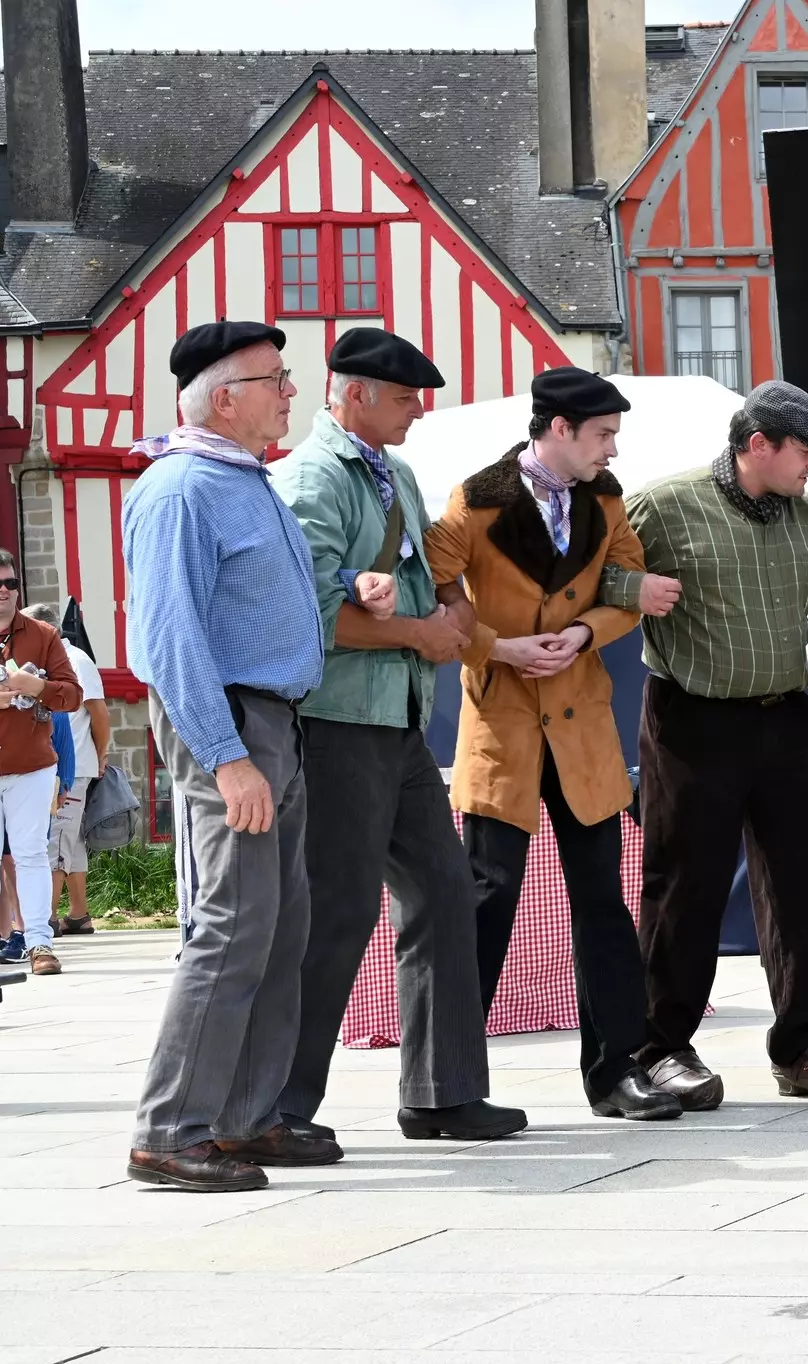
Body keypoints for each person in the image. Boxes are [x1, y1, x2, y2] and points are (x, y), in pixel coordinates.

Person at [272, 329, 525, 1144]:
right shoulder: (314, 479)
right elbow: (308, 617)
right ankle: (279, 1107)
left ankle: (441, 1091)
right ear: (353, 395)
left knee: (445, 892)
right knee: (338, 911)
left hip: (397, 719)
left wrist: (451, 609)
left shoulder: (397, 474)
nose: (420, 409)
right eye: (405, 397)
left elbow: (426, 569)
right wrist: (422, 637)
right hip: (339, 719)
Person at [621, 380, 808, 1108]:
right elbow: (603, 577)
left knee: (801, 885)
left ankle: (806, 1048)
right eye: (805, 452)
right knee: (687, 886)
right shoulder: (662, 504)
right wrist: (631, 593)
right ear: (757, 445)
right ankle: (661, 1049)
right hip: (690, 717)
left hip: (782, 717)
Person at [427, 366, 682, 1123]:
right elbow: (437, 594)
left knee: (604, 902)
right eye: (603, 435)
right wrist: (500, 649)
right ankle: (448, 1085)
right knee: (487, 900)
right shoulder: (474, 500)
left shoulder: (606, 500)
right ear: (559, 429)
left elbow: (627, 586)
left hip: (583, 727)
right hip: (502, 724)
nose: (612, 449)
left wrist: (579, 632)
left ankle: (617, 1076)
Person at [123, 320, 338, 1191]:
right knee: (231, 926)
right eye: (275, 379)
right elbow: (170, 637)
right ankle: (170, 1128)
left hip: (272, 724)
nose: (291, 392)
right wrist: (225, 756)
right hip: (233, 726)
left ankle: (244, 1119)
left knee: (277, 928)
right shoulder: (181, 488)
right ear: (224, 399)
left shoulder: (241, 481)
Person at [0, 559, 80, 982]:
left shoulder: (45, 635)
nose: (3, 590)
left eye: (10, 583)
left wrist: (39, 689)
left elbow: (73, 695)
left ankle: (38, 943)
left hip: (31, 764)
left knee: (30, 854)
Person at [21, 602, 106, 939]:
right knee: (71, 842)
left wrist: (101, 756)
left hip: (71, 767)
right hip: (55, 764)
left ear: (48, 630)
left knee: (55, 841)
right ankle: (79, 914)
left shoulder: (76, 661)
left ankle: (47, 919)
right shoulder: (42, 663)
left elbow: (99, 714)